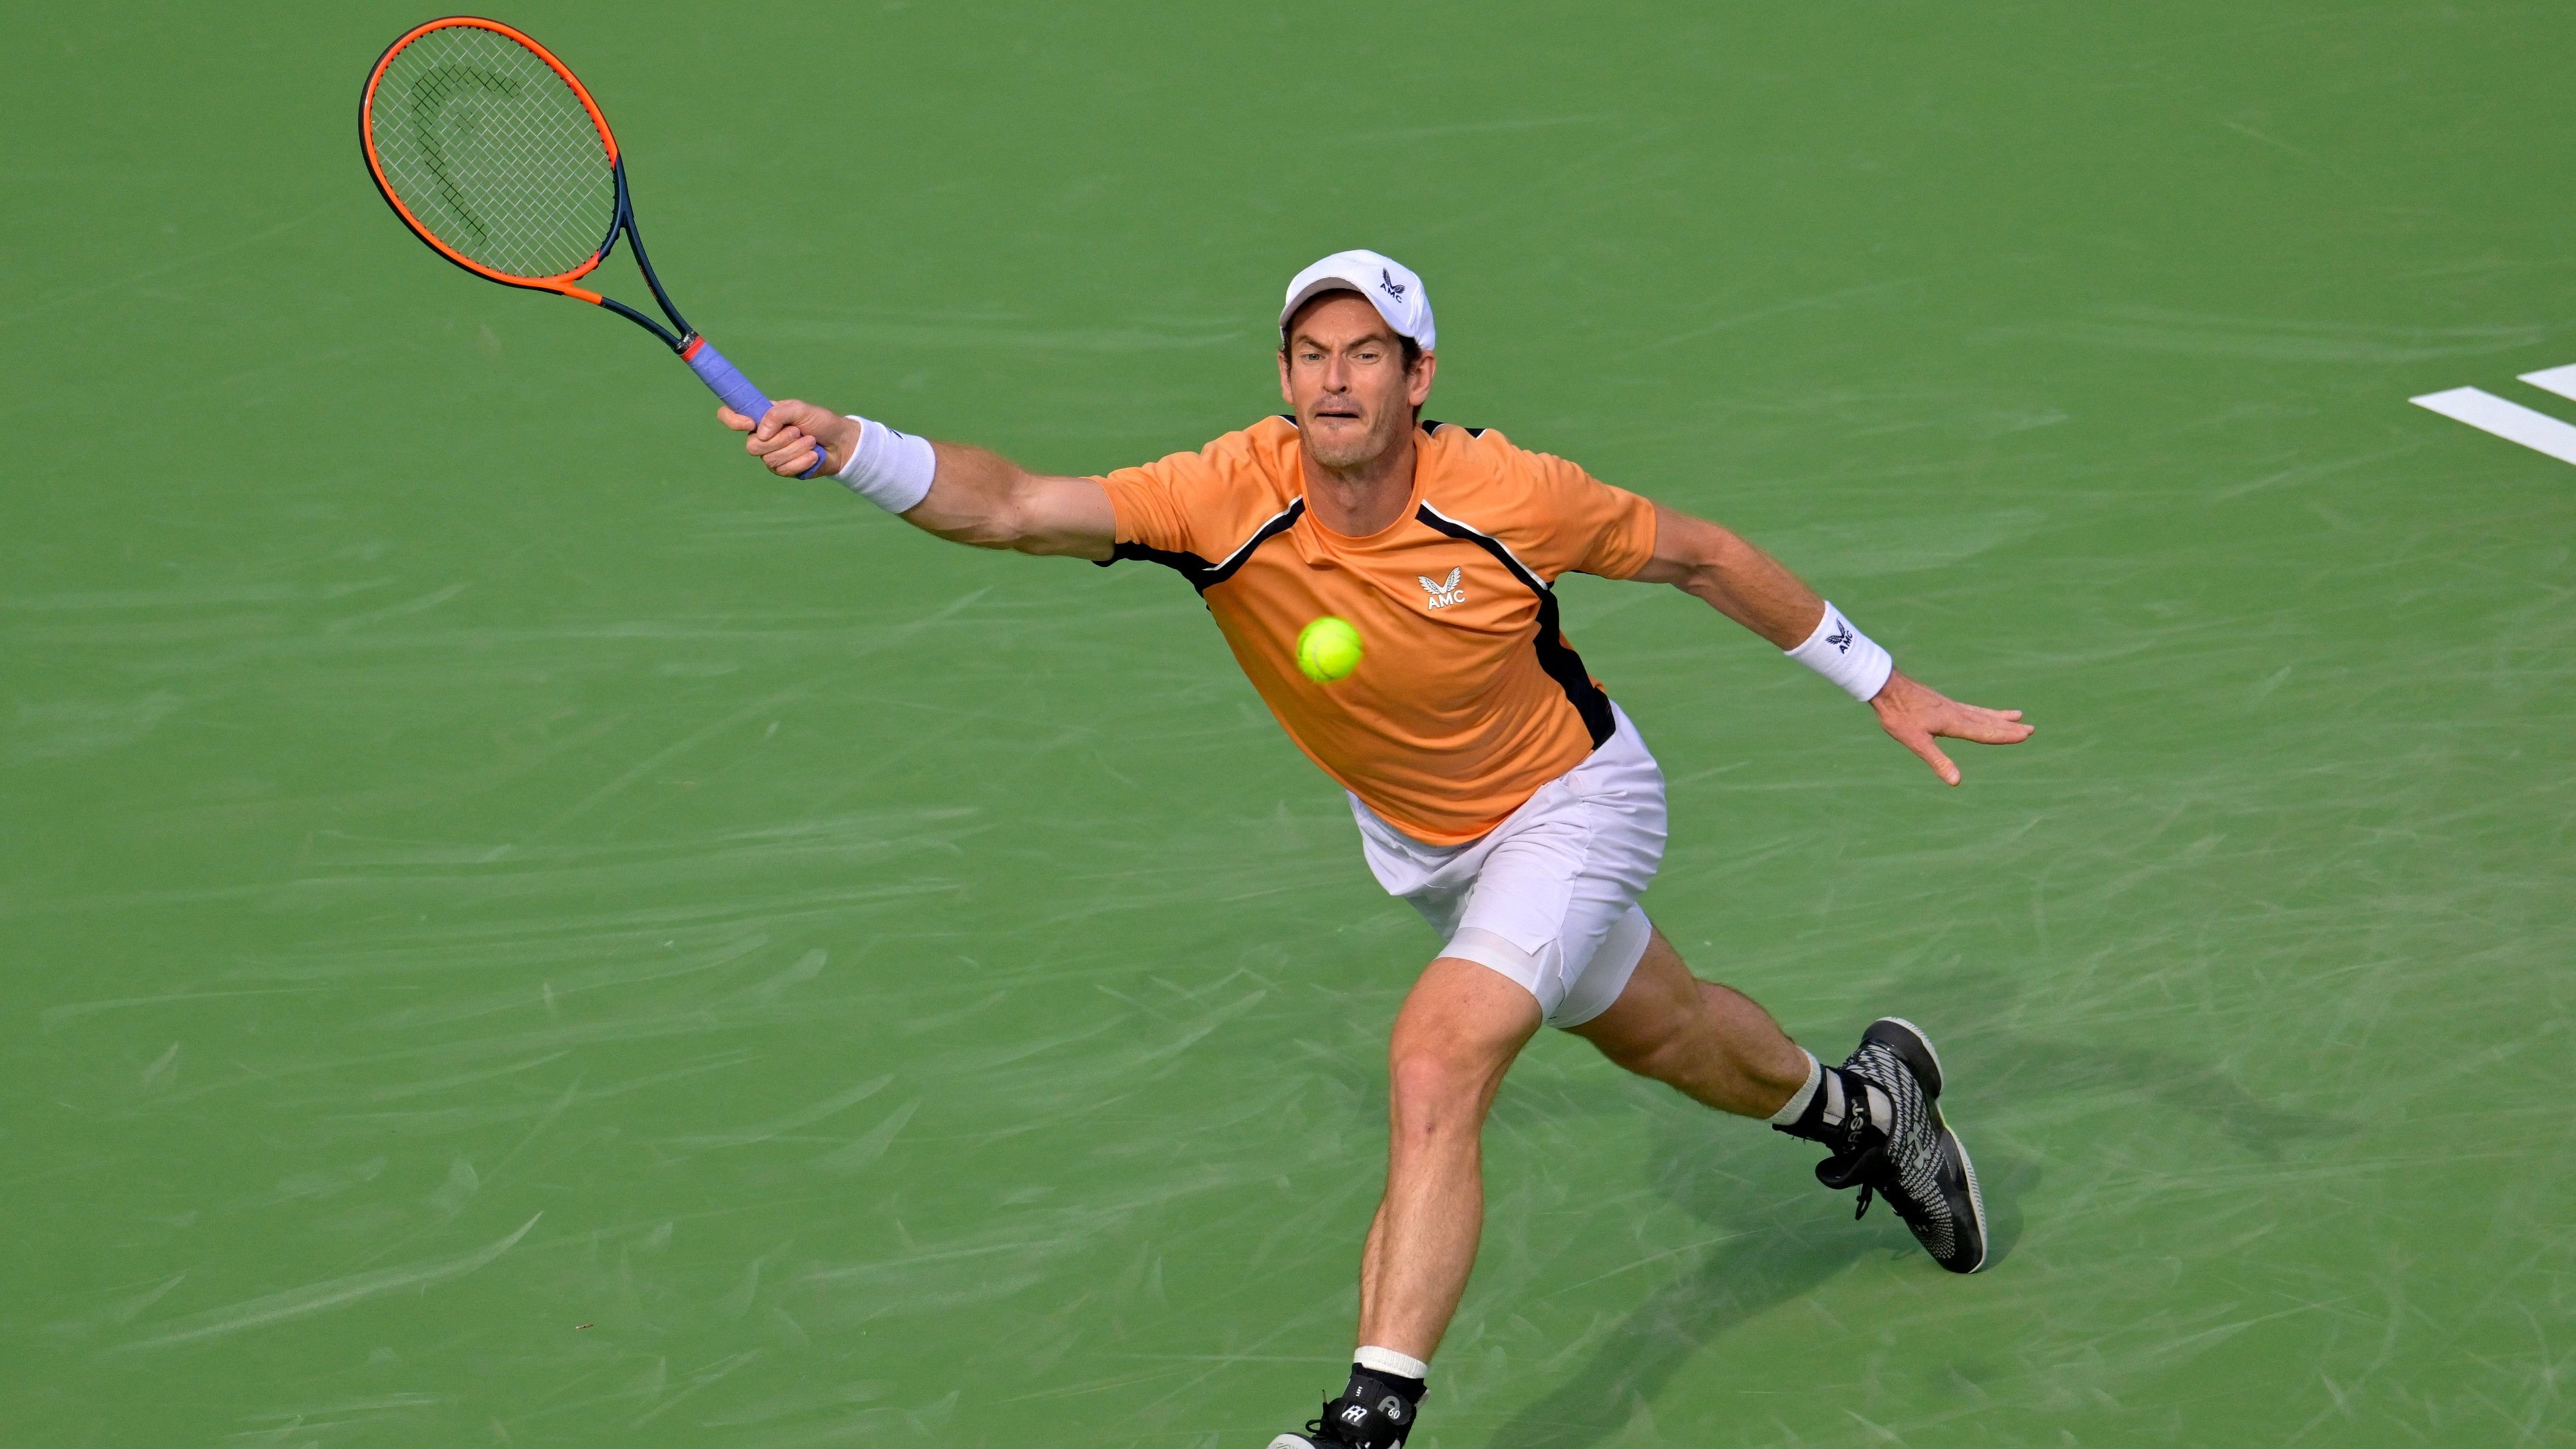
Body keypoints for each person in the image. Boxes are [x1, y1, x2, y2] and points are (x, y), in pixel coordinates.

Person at [719, 250, 2034, 1449]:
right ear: (1284, 376)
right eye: (1310, 354)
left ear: (1418, 377)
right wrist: (853, 448)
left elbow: (1696, 556)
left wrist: (1879, 681)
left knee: (1436, 1055)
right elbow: (1008, 505)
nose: (1333, 378)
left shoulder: (1508, 495)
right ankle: (1868, 1110)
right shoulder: (1220, 495)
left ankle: (1369, 1418)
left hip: (1572, 806)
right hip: (1426, 846)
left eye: (1365, 353)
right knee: (1669, 1032)